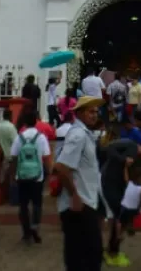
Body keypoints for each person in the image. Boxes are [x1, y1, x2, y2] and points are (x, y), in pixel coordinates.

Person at [54, 96, 105, 271]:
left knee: (86, 255)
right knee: (86, 256)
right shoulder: (78, 135)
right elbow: (61, 167)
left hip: (86, 201)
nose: (94, 115)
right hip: (79, 204)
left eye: (96, 112)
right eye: (91, 111)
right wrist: (74, 195)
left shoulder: (84, 134)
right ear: (80, 113)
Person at [100, 136, 141, 266]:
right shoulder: (130, 145)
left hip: (120, 188)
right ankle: (111, 253)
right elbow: (109, 147)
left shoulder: (140, 161)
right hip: (109, 183)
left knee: (121, 218)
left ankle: (112, 249)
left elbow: (136, 179)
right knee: (118, 217)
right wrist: (123, 160)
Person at [10, 108, 53, 245]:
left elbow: (14, 157)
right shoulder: (41, 137)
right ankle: (35, 226)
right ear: (35, 122)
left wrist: (13, 175)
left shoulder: (19, 137)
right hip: (37, 176)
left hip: (22, 175)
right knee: (37, 203)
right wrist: (50, 172)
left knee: (23, 205)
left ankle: (26, 232)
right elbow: (46, 157)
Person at [0, 109, 19, 206]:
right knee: (13, 178)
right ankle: (13, 200)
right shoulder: (11, 127)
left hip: (3, 155)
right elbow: (16, 141)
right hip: (12, 155)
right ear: (10, 116)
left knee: (3, 178)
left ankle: (3, 198)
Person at [118, 164, 141, 236]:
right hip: (133, 209)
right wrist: (140, 207)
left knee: (122, 220)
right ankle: (129, 227)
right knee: (131, 218)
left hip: (124, 207)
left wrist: (125, 167)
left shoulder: (129, 183)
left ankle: (120, 232)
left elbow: (126, 177)